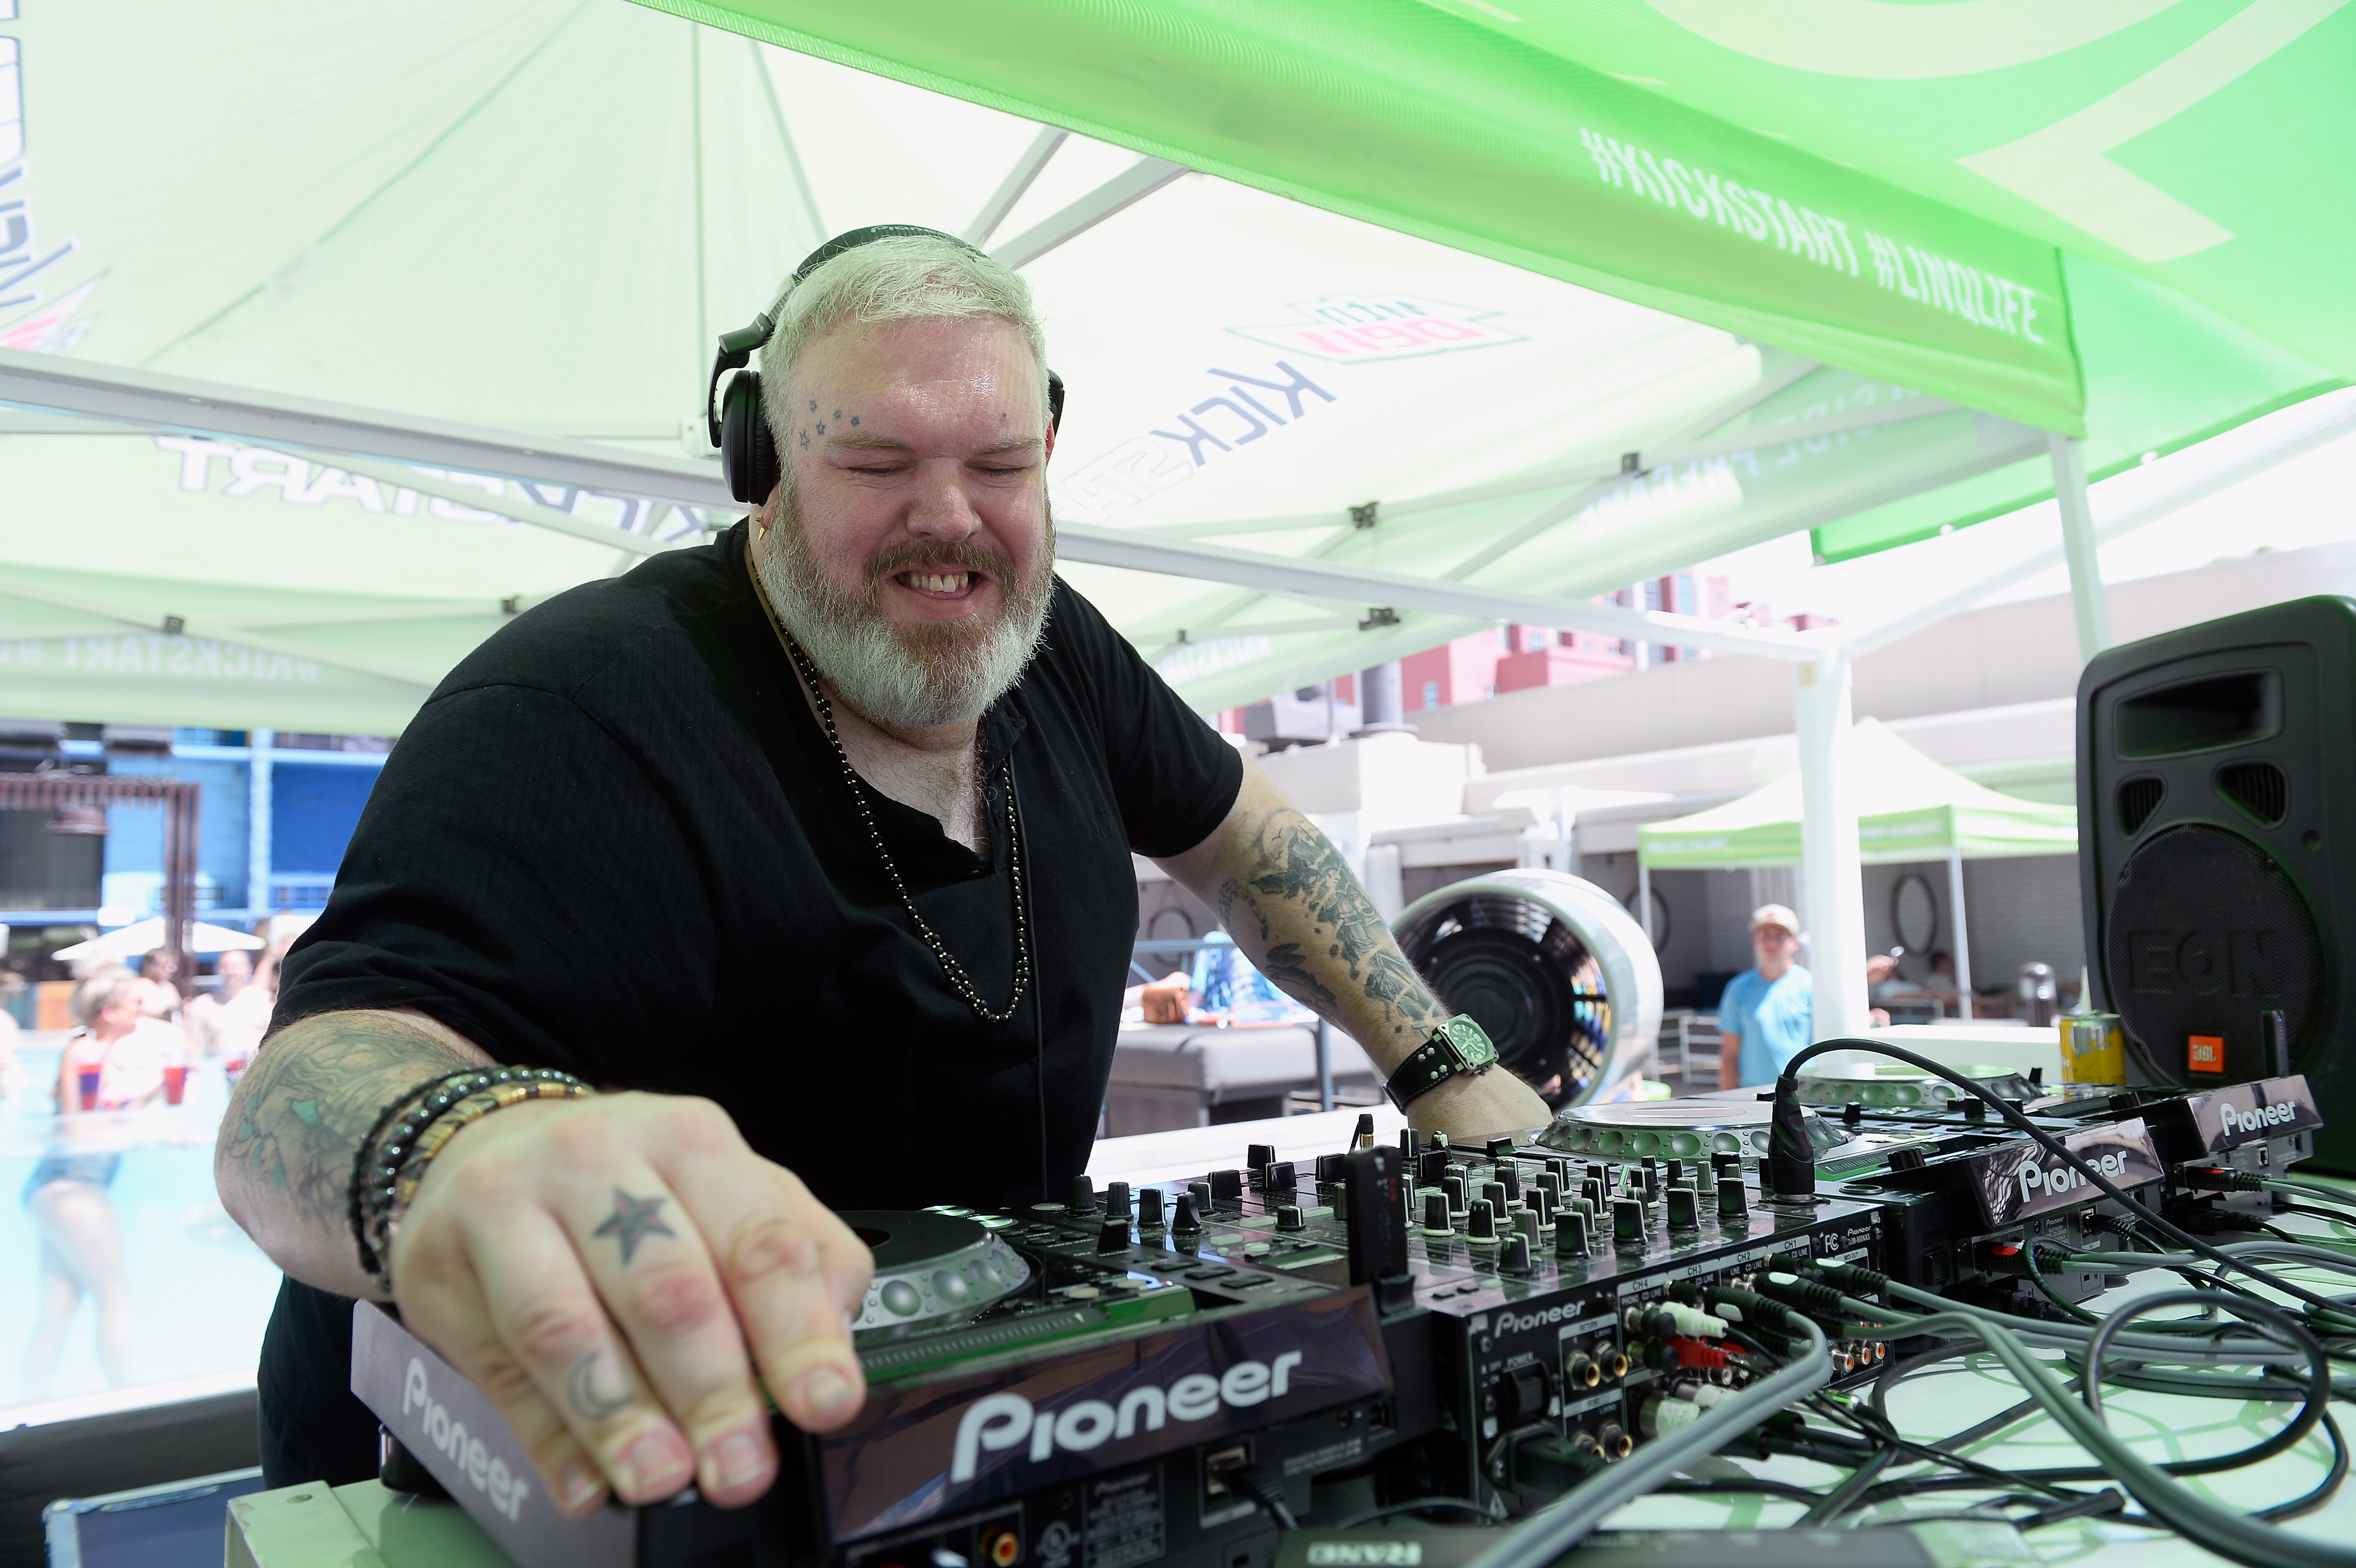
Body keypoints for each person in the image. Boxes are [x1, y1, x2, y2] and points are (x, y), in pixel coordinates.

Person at [216, 230, 1550, 1514]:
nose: (949, 521)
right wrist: (457, 1150)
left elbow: (1247, 835)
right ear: (764, 459)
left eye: (999, 463)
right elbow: (309, 1083)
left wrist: (1437, 1056)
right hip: (554, 1477)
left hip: (968, 1431)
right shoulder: (572, 699)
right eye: (875, 459)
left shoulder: (1059, 651)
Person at [22, 971, 169, 1396]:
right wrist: (136, 1118)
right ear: (109, 1013)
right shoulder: (83, 1053)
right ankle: (128, 1403)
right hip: (73, 1187)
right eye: (133, 1003)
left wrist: (142, 1101)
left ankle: (35, 1405)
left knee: (59, 1309)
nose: (141, 1008)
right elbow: (79, 1131)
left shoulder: (95, 1055)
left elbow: (92, 1119)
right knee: (114, 1297)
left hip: (58, 1188)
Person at [1717, 904, 1813, 1090]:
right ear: (1755, 941)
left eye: (1780, 936)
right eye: (1765, 936)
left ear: (1794, 943)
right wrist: (1728, 1103)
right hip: (1756, 1096)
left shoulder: (1810, 986)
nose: (1771, 943)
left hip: (1803, 1094)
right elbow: (1729, 1054)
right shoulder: (1738, 989)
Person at [187, 948, 271, 1063]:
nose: (231, 972)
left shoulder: (263, 1001)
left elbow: (274, 1039)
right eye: (225, 966)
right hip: (216, 1074)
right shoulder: (203, 1005)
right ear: (217, 970)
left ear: (249, 969)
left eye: (237, 966)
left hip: (256, 1071)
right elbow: (193, 1046)